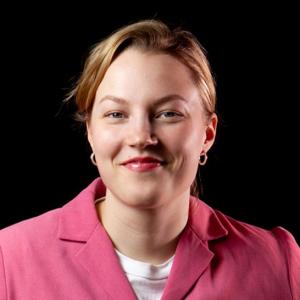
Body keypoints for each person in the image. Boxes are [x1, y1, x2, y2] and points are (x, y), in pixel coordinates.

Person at [0, 19, 299, 300]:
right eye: (116, 114)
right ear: (91, 132)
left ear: (207, 134)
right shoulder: (8, 258)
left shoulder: (277, 263)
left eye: (168, 113)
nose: (141, 136)